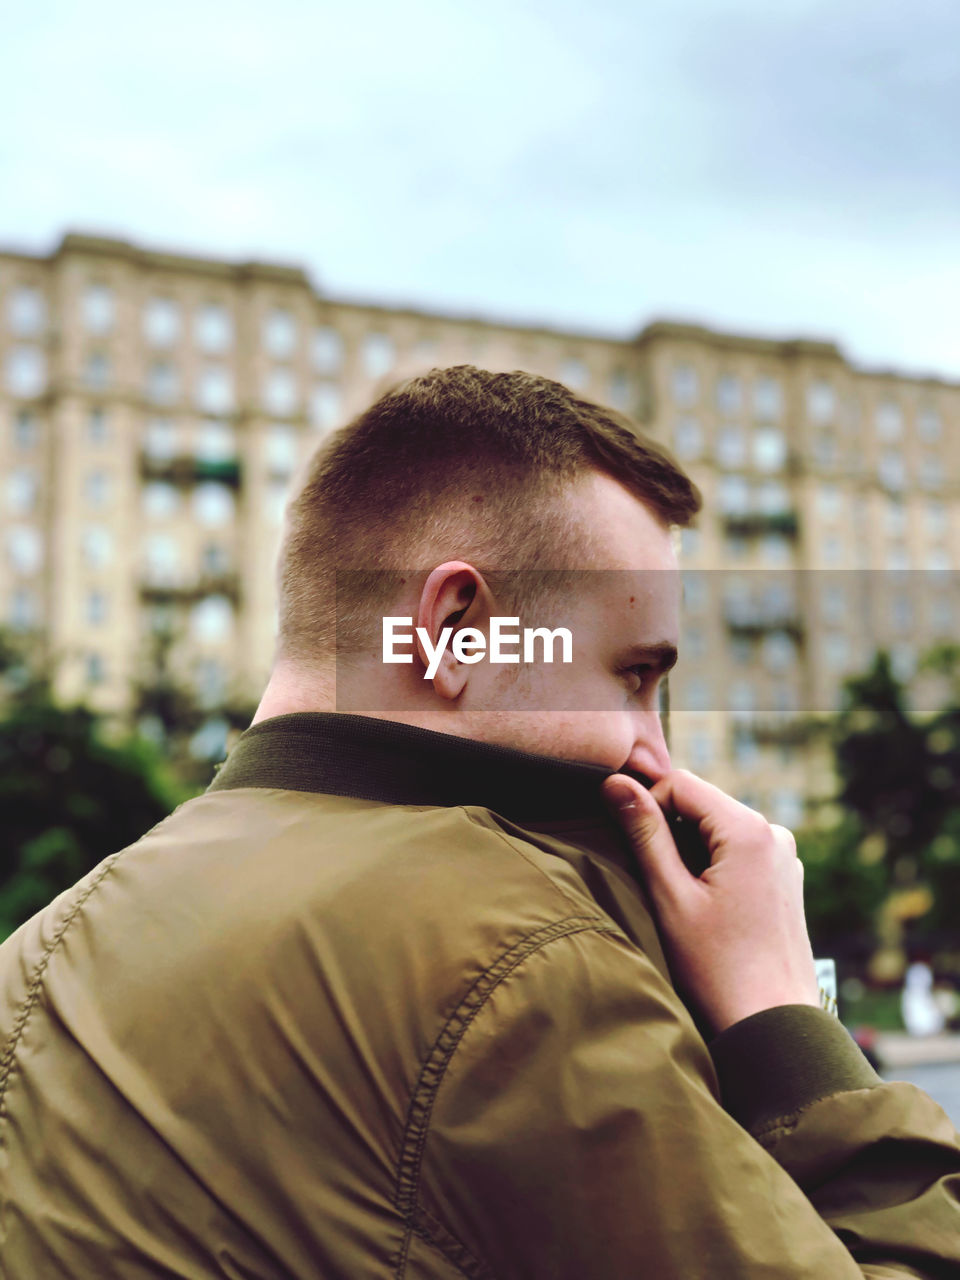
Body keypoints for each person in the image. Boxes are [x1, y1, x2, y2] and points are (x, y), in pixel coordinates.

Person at [1, 365, 958, 1277]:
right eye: (634, 675)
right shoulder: (523, 959)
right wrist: (783, 1021)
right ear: (458, 627)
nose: (654, 753)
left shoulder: (38, 958)